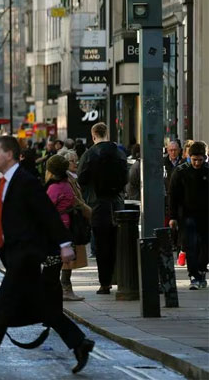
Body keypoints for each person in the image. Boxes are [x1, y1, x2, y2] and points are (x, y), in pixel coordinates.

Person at [0, 136, 94, 374]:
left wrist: (64, 243)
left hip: (26, 256)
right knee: (44, 308)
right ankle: (79, 342)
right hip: (15, 256)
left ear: (9, 155)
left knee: (3, 305)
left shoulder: (25, 181)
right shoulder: (6, 182)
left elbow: (48, 214)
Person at [77, 122, 128, 294]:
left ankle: (105, 283)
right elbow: (125, 178)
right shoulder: (119, 153)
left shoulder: (89, 154)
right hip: (117, 204)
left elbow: (81, 179)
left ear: (93, 136)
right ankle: (120, 279)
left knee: (100, 244)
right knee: (117, 243)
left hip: (97, 204)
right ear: (107, 134)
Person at [48, 154, 88, 301]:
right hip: (64, 227)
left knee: (60, 262)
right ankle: (63, 290)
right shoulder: (63, 185)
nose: (75, 163)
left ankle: (62, 290)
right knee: (62, 261)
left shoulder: (58, 185)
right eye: (71, 161)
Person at [169, 141, 208, 290]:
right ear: (189, 157)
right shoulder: (181, 172)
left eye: (200, 160)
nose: (197, 163)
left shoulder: (207, 171)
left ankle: (201, 269)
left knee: (205, 246)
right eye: (194, 160)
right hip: (187, 214)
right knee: (190, 245)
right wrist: (173, 217)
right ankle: (194, 275)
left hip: (205, 215)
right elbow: (173, 196)